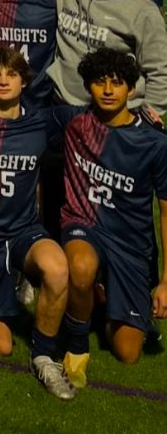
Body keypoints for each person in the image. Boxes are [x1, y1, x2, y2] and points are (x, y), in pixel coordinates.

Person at [0, 48, 75, 400]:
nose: (4, 80)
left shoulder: (42, 121)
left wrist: (142, 109)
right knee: (1, 346)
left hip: (25, 230)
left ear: (24, 80)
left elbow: (96, 112)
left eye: (12, 74)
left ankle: (43, 354)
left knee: (57, 267)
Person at [60, 47, 167, 388]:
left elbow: (166, 211)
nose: (108, 90)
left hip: (130, 245)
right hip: (84, 225)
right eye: (99, 82)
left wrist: (166, 281)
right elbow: (16, 114)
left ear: (131, 89)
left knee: (128, 351)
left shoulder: (155, 142)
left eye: (117, 83)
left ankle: (103, 297)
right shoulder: (74, 122)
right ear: (88, 86)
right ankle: (77, 347)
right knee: (80, 266)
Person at [47, 0, 167, 114]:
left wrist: (148, 116)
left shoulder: (141, 9)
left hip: (115, 117)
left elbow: (160, 70)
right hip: (62, 109)